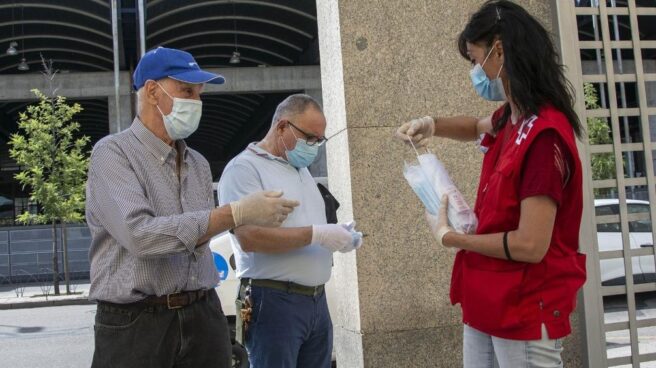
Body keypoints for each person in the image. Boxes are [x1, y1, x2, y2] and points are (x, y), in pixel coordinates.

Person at [395, 1, 586, 367]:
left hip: (525, 306)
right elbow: (475, 126)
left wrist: (451, 237)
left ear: (498, 49)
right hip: (488, 300)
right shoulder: (514, 117)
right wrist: (430, 124)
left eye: (474, 59)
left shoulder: (543, 137)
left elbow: (530, 245)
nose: (475, 72)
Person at [86, 47, 299, 368]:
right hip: (136, 322)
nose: (196, 103)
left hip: (202, 312)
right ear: (153, 92)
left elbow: (199, 236)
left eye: (199, 95)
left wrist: (249, 219)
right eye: (186, 91)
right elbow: (140, 236)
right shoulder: (113, 155)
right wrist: (233, 213)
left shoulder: (197, 163)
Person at [218, 94, 362, 368]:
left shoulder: (300, 169)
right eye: (310, 138)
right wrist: (317, 234)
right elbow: (248, 238)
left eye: (319, 140)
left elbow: (305, 223)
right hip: (273, 300)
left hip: (316, 300)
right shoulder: (244, 169)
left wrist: (336, 235)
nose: (314, 146)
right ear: (282, 127)